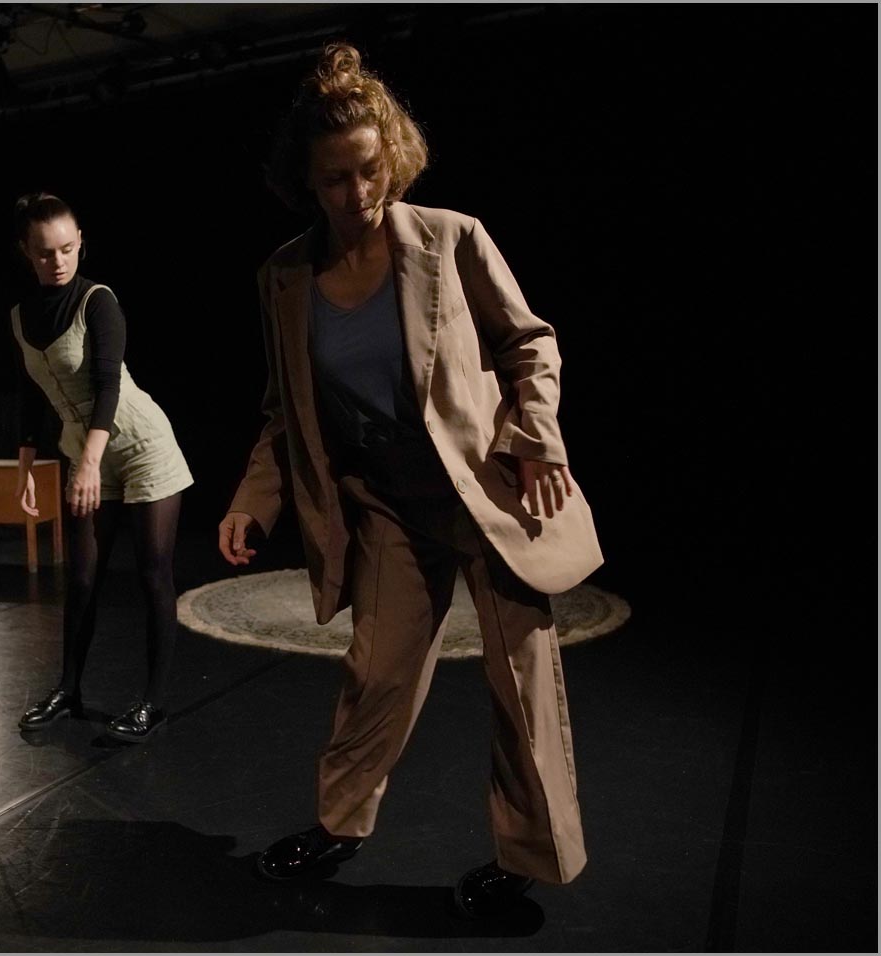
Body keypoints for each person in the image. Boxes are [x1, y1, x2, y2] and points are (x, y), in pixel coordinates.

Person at [217, 44, 603, 917]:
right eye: (334, 178)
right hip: (387, 503)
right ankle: (337, 825)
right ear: (303, 180)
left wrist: (538, 440)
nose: (357, 192)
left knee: (522, 685)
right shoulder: (284, 276)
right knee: (375, 675)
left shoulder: (449, 237)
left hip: (486, 491)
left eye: (368, 169)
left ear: (390, 155)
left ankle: (530, 857)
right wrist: (253, 498)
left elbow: (528, 343)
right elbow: (286, 409)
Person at [12, 192, 193, 743]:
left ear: (81, 243)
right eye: (46, 252)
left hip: (140, 445)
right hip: (84, 452)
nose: (58, 261)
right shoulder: (20, 317)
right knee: (82, 575)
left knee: (152, 573)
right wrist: (26, 468)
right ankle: (68, 690)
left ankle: (153, 704)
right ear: (27, 252)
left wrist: (89, 464)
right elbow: (33, 396)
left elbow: (108, 385)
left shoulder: (98, 301)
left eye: (68, 248)